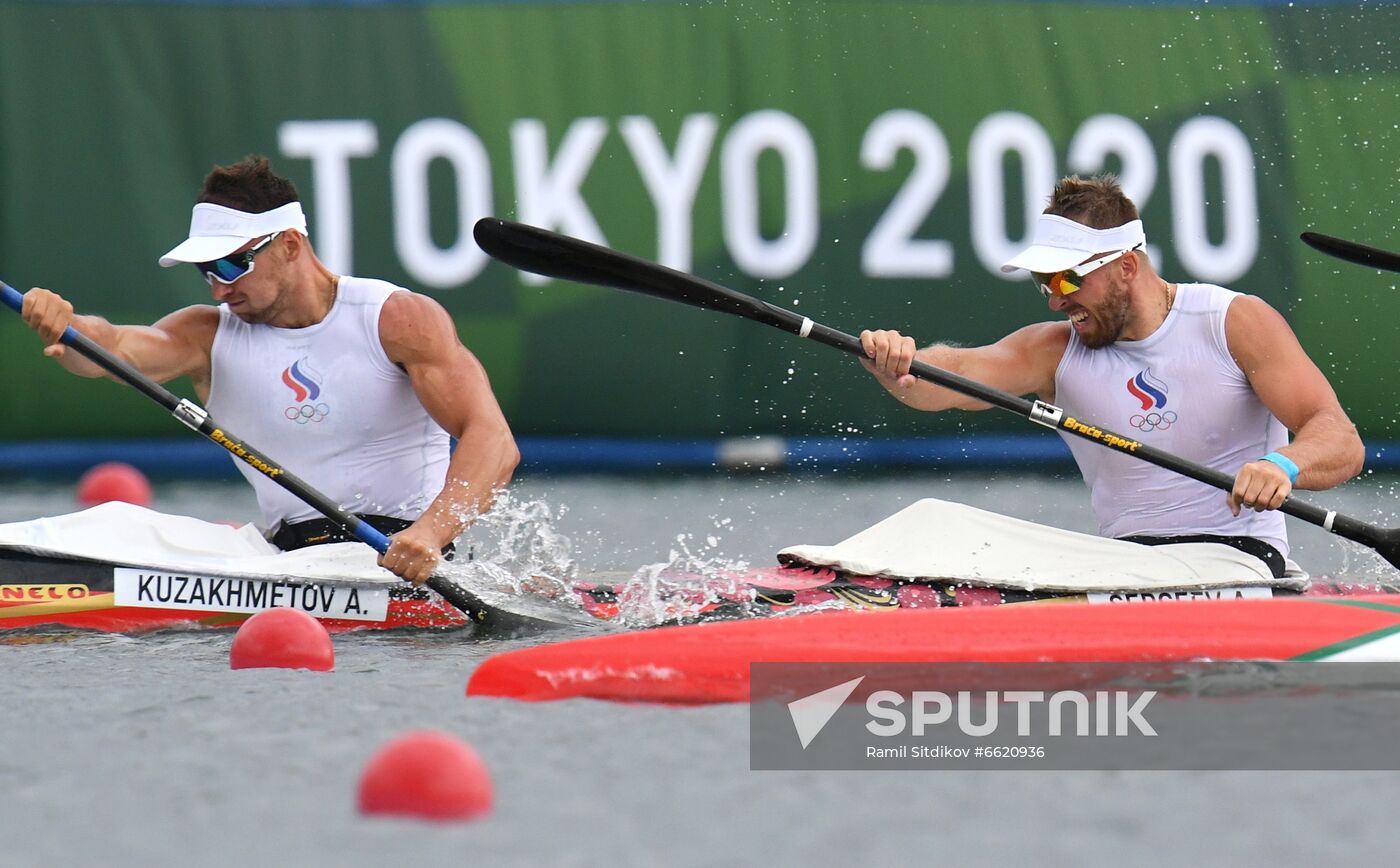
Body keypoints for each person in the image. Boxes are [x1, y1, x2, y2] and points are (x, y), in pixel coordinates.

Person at [20, 156, 519, 585]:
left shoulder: (396, 319)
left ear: (289, 245)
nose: (218, 287)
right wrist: (64, 327)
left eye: (233, 265)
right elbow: (109, 350)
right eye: (206, 270)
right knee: (117, 524)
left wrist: (431, 534)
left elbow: (494, 440)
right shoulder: (205, 335)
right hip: (283, 560)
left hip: (395, 560)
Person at [859, 173, 1365, 577]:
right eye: (1043, 283)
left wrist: (1283, 467)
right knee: (939, 519)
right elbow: (947, 379)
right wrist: (897, 362)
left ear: (1125, 267)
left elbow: (1340, 439)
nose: (1056, 299)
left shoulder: (1231, 322)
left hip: (1238, 558)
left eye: (1066, 277)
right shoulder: (1055, 350)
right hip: (1124, 567)